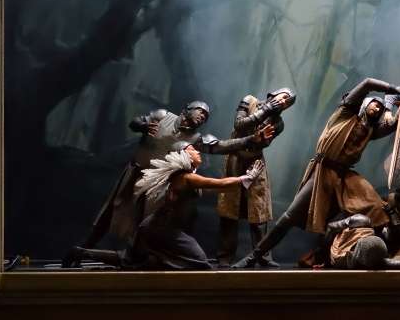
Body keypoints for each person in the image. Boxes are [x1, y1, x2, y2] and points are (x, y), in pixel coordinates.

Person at [231, 75, 400, 269]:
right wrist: (398, 90)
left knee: (379, 209)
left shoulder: (370, 130)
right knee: (289, 217)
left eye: (379, 108)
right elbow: (368, 83)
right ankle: (254, 256)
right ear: (363, 104)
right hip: (323, 171)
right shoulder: (344, 113)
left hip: (345, 178)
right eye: (374, 104)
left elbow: (397, 120)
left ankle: (381, 255)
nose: (377, 109)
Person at [61, 100, 272, 268]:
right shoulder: (163, 117)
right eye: (200, 111)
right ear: (187, 109)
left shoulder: (196, 139)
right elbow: (134, 122)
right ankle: (84, 249)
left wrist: (252, 139)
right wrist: (142, 125)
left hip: (159, 186)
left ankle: (136, 257)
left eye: (206, 116)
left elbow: (223, 146)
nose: (202, 117)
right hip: (136, 173)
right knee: (108, 215)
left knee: (143, 230)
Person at [66, 143, 264, 270]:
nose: (197, 151)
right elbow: (218, 184)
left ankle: (81, 253)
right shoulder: (185, 177)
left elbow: (212, 189)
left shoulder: (182, 177)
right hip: (160, 229)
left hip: (153, 227)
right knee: (200, 261)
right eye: (193, 149)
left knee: (128, 259)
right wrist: (247, 178)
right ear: (183, 155)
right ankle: (154, 261)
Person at [215, 88, 296, 267]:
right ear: (273, 94)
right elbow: (239, 125)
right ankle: (224, 256)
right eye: (284, 97)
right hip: (235, 158)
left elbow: (264, 142)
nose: (284, 102)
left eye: (288, 102)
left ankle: (263, 257)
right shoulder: (249, 100)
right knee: (229, 208)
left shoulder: (278, 122)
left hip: (255, 161)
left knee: (259, 211)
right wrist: (265, 110)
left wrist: (259, 139)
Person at [319, 212, 400, 270]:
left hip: (345, 256)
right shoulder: (360, 221)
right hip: (345, 228)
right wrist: (324, 259)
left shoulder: (368, 259)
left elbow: (391, 263)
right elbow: (330, 227)